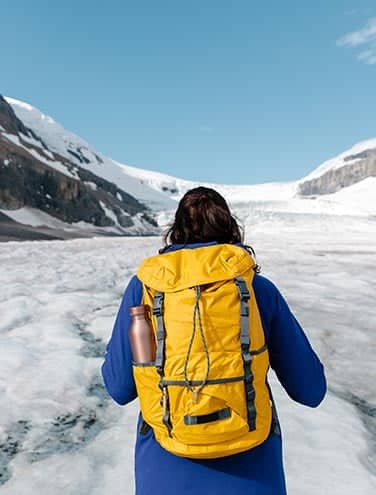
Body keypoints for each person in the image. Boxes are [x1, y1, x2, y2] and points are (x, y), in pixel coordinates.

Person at [101, 186, 326, 495]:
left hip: (165, 474)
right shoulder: (258, 289)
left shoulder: (145, 289)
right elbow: (311, 390)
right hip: (253, 473)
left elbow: (119, 389)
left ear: (175, 231)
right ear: (231, 228)